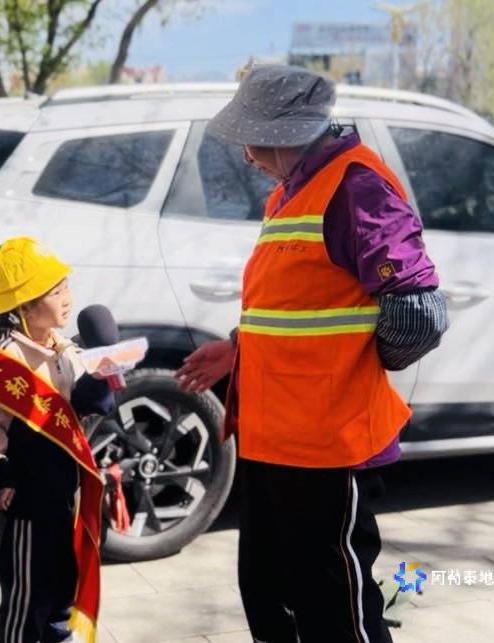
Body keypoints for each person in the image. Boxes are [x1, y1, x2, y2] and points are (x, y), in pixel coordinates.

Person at [175, 65, 449, 643]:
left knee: (333, 610)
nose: (247, 155)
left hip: (326, 445)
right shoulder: (290, 192)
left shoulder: (356, 187)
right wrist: (239, 348)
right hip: (273, 438)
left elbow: (419, 315)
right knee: (270, 594)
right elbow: (300, 303)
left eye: (252, 139)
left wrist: (352, 366)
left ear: (286, 135)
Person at [0, 237, 112, 643]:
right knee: (27, 602)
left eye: (66, 286)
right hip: (30, 502)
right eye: (56, 292)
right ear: (25, 307)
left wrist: (102, 377)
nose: (67, 298)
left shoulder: (64, 348)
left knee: (61, 596)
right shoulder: (4, 361)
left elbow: (82, 408)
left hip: (66, 496)